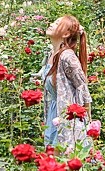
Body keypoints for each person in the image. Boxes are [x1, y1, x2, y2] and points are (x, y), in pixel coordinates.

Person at [39, 14, 92, 149]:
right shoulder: (52, 54)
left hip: (67, 119)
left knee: (63, 165)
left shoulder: (67, 57)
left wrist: (88, 126)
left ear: (66, 33)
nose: (52, 24)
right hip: (54, 114)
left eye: (57, 24)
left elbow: (83, 88)